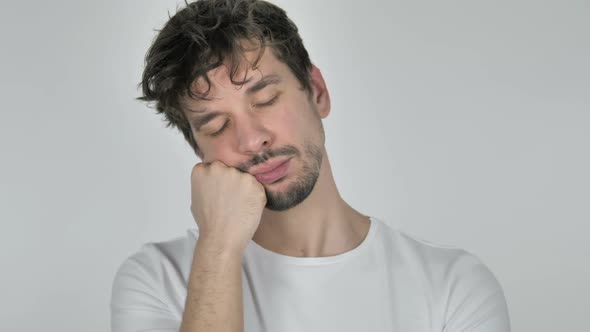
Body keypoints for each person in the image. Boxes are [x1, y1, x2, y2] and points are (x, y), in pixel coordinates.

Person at [110, 0, 511, 331]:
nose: (252, 141)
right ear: (199, 151)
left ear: (316, 92)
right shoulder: (158, 280)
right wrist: (217, 248)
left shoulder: (452, 286)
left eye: (265, 99)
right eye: (216, 125)